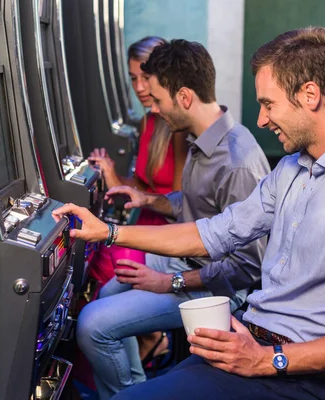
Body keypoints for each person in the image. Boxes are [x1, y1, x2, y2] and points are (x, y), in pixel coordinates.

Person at [54, 27, 325, 400]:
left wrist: (266, 360)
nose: (260, 120)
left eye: (268, 104)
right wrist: (109, 232)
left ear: (310, 95)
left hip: (294, 376)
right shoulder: (291, 168)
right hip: (250, 339)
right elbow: (213, 232)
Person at [68, 39, 271, 400]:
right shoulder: (202, 138)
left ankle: (130, 395)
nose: (156, 109)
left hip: (218, 289)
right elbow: (196, 203)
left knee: (92, 324)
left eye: (160, 100)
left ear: (185, 97)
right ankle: (135, 389)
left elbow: (248, 267)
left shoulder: (237, 162)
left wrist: (170, 281)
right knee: (107, 287)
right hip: (188, 261)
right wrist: (149, 199)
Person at [85, 37, 189, 363]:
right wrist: (111, 175)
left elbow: (178, 200)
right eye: (133, 78)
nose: (140, 87)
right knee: (100, 261)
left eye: (145, 77)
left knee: (110, 266)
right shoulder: (148, 121)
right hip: (144, 224)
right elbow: (143, 185)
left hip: (169, 232)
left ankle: (147, 342)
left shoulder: (178, 127)